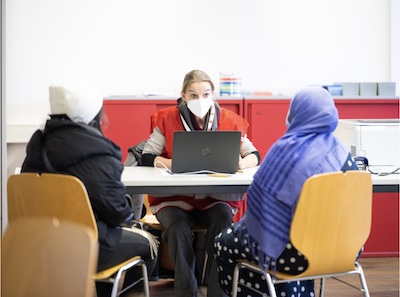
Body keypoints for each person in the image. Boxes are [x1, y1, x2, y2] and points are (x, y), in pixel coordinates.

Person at [213, 86, 359, 296]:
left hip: (291, 255)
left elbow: (262, 203)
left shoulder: (286, 151)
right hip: (343, 249)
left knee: (223, 243)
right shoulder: (344, 153)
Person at [21, 83, 158, 297]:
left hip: (39, 242)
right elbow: (118, 213)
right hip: (88, 246)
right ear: (93, 115)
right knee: (150, 243)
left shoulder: (37, 145)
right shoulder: (100, 152)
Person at [141, 69, 260, 297]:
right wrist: (170, 163)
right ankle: (186, 290)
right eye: (193, 95)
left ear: (213, 94)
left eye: (205, 94)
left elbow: (254, 154)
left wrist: (240, 164)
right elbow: (147, 155)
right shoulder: (166, 118)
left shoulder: (229, 120)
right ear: (183, 96)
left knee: (223, 222)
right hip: (173, 200)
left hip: (213, 199)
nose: (200, 100)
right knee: (177, 229)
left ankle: (218, 290)